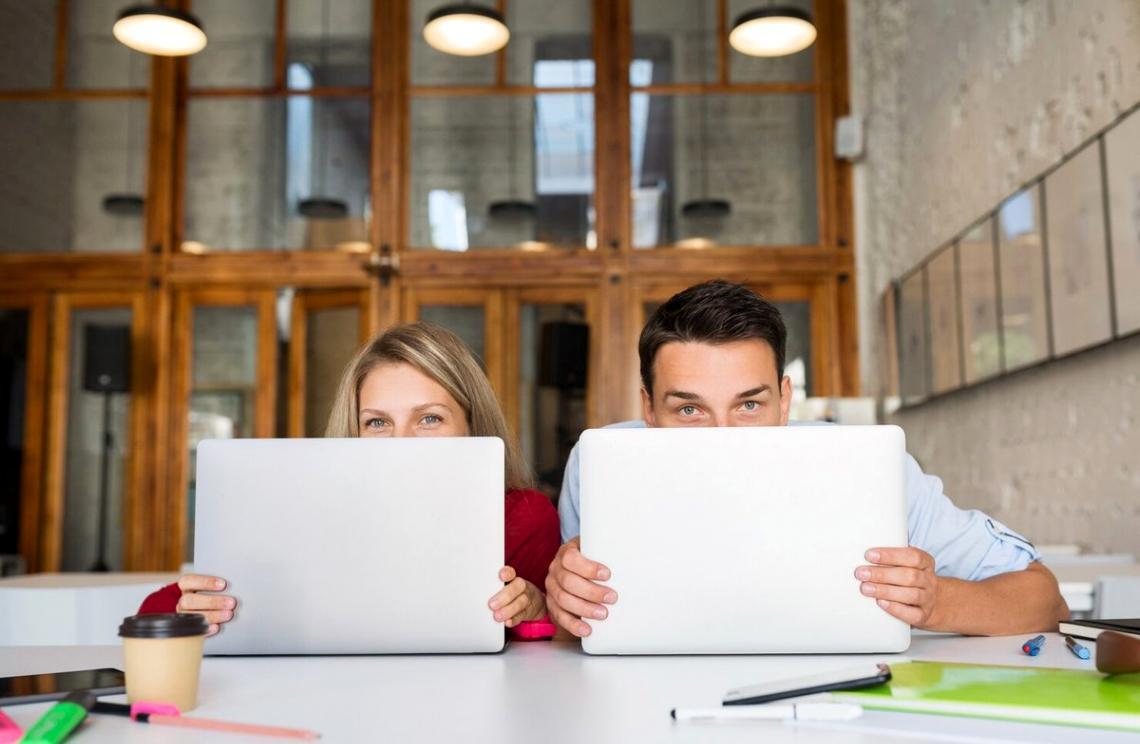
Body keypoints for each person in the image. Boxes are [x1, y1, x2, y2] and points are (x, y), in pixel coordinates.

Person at [546, 280, 1069, 638]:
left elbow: (1045, 600)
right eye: (689, 409)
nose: (724, 436)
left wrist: (935, 601)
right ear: (648, 409)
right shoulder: (599, 464)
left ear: (785, 399)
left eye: (748, 404)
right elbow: (579, 631)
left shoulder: (867, 467)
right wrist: (565, 605)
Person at [139, 322, 560, 635]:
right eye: (378, 422)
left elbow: (555, 648)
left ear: (473, 423)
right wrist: (187, 607)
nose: (402, 441)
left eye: (429, 418)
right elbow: (151, 614)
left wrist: (535, 610)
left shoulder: (523, 516)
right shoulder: (305, 515)